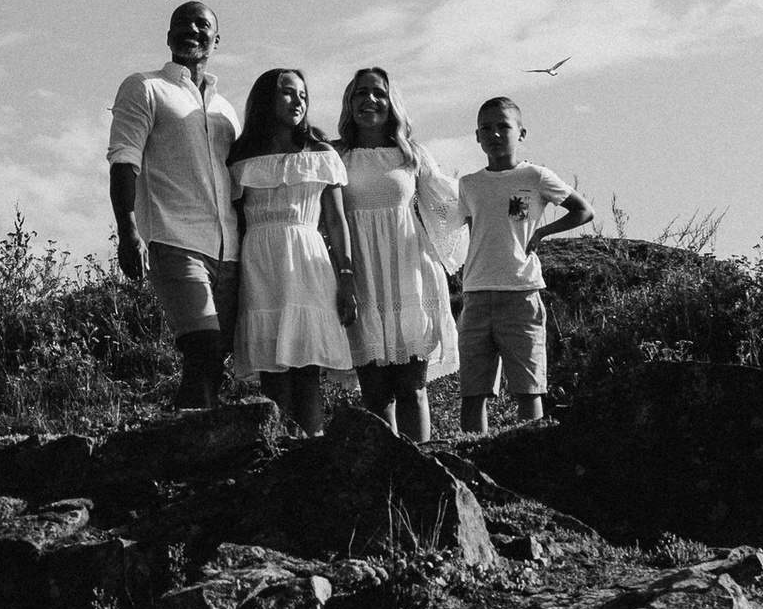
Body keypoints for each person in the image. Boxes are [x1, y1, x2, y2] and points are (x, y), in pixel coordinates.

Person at [107, 0, 239, 409]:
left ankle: (194, 441)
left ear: (217, 39)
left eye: (202, 25)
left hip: (230, 249)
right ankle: (190, 445)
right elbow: (123, 159)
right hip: (174, 239)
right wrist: (128, 231)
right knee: (203, 345)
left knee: (220, 355)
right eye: (181, 23)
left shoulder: (226, 110)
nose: (191, 30)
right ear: (168, 37)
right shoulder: (145, 86)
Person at [336, 64, 463, 442]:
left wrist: (493, 205)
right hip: (361, 279)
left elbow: (449, 204)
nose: (369, 100)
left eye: (379, 93)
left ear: (392, 104)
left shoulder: (411, 155)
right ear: (349, 102)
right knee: (376, 395)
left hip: (410, 276)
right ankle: (387, 475)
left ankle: (423, 468)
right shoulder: (336, 156)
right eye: (361, 93)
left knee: (411, 389)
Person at [227, 66, 357, 429]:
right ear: (266, 99)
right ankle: (280, 452)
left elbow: (336, 221)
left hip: (308, 262)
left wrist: (346, 276)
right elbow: (234, 221)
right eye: (287, 92)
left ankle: (311, 447)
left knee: (307, 373)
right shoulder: (241, 158)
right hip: (260, 264)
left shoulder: (322, 154)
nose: (297, 101)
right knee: (274, 372)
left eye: (302, 95)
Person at [454, 95, 591, 432]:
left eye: (504, 126)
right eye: (487, 128)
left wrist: (543, 232)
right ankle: (473, 458)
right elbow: (474, 230)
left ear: (521, 132)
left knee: (528, 388)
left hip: (521, 292)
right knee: (473, 390)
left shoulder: (535, 176)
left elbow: (582, 210)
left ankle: (530, 458)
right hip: (476, 293)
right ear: (477, 136)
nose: (495, 134)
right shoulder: (468, 184)